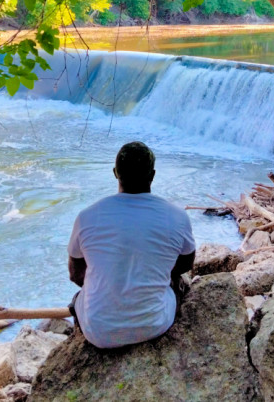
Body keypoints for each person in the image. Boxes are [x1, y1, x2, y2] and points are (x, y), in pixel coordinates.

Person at [67, 141, 195, 349]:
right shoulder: (177, 217)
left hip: (98, 332)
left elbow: (75, 274)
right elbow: (186, 263)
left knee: (78, 299)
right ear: (152, 175)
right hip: (154, 325)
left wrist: (109, 286)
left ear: (115, 173)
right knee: (179, 286)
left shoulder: (88, 216)